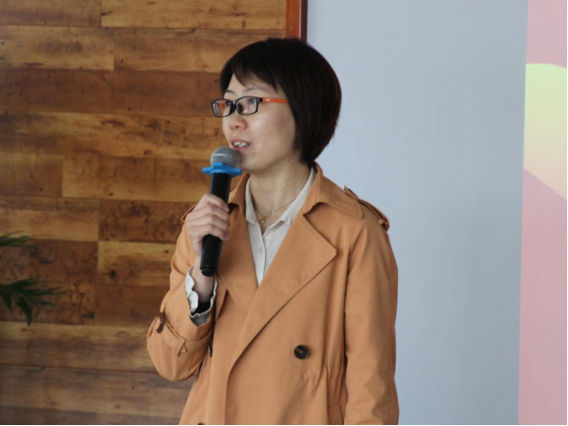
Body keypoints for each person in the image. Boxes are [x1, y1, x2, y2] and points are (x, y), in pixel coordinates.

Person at [146, 37, 399, 425]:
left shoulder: (355, 231)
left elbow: (371, 388)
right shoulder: (207, 223)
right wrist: (201, 276)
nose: (234, 120)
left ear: (303, 107)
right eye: (228, 104)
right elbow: (170, 364)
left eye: (250, 102)